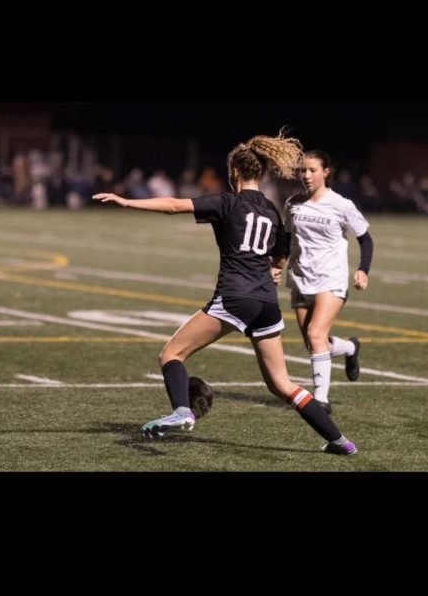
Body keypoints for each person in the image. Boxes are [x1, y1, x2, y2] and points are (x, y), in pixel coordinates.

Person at [93, 131, 358, 456]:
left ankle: (182, 411)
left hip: (235, 297)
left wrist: (126, 201)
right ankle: (340, 441)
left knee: (171, 355)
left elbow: (175, 205)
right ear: (260, 173)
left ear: (234, 173)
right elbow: (280, 254)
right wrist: (275, 268)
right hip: (266, 304)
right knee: (282, 385)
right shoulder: (272, 211)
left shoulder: (227, 201)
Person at [277, 149, 374, 414]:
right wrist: (278, 263)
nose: (306, 175)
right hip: (300, 278)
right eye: (302, 171)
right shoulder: (293, 203)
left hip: (331, 278)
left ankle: (321, 400)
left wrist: (363, 269)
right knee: (313, 344)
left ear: (326, 173)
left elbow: (365, 238)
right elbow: (286, 238)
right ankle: (350, 348)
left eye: (311, 170)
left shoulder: (341, 205)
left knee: (315, 334)